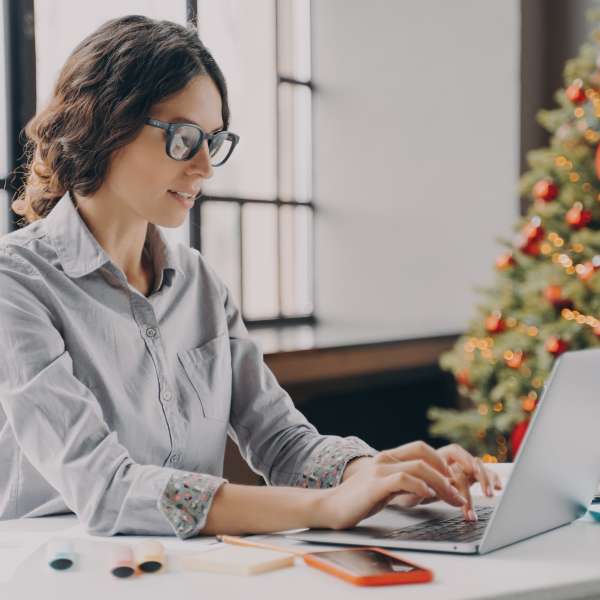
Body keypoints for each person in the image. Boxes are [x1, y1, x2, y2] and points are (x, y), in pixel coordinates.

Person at [0, 15, 501, 539]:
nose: (204, 167)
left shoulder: (200, 284)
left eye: (212, 141)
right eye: (183, 137)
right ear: (105, 122)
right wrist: (323, 507)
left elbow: (285, 444)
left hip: (190, 575)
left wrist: (377, 475)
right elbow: (106, 490)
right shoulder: (18, 284)